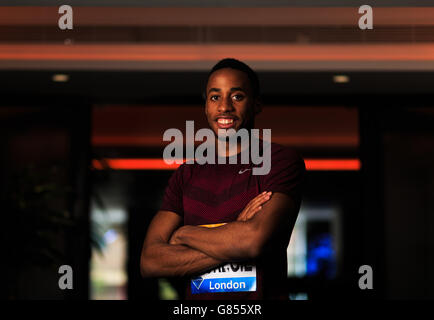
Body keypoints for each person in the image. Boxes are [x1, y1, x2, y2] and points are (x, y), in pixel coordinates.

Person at [140, 58, 305, 300]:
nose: (224, 107)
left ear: (256, 104)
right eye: (215, 97)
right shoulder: (186, 175)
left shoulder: (279, 161)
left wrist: (184, 235)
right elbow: (150, 261)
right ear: (206, 106)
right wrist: (236, 229)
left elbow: (252, 242)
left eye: (237, 96)